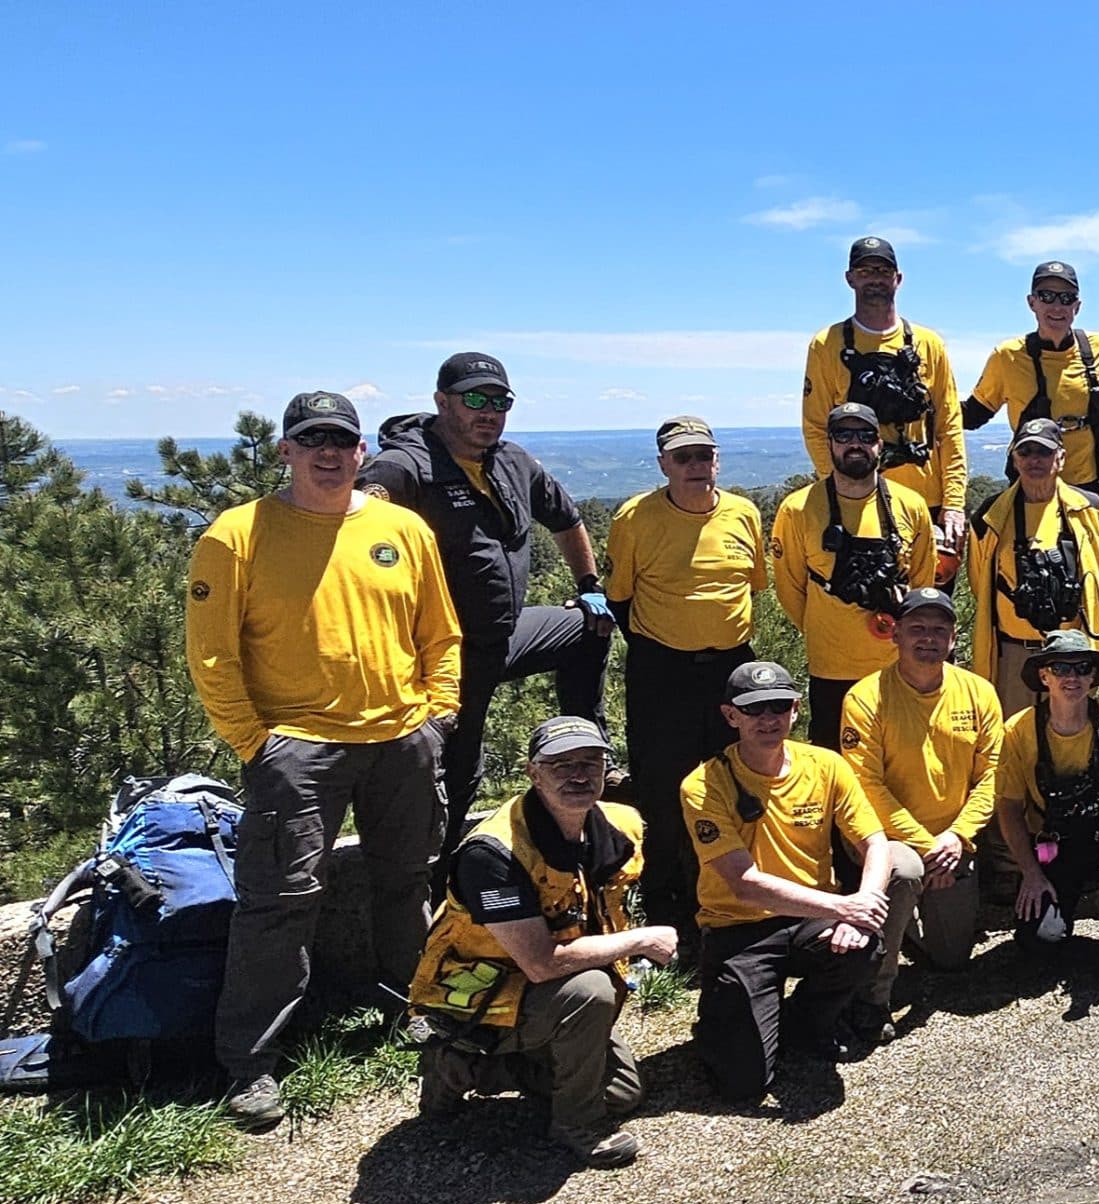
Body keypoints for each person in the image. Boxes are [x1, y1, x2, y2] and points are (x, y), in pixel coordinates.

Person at [189, 391, 461, 1130]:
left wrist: (439, 713)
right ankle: (251, 1062)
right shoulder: (237, 534)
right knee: (279, 901)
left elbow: (441, 631)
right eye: (312, 440)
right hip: (296, 747)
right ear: (285, 450)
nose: (329, 452)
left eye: (341, 439)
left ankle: (417, 1004)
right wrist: (255, 742)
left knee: (406, 880)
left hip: (403, 736)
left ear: (362, 449)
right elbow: (212, 654)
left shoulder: (402, 529)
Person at [362, 353, 610, 852]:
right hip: (446, 653)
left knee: (588, 627)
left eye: (500, 401)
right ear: (441, 402)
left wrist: (589, 585)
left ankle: (585, 749)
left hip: (505, 633)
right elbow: (360, 517)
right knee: (458, 770)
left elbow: (565, 519)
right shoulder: (409, 465)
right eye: (475, 399)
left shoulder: (513, 461)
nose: (488, 411)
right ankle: (443, 885)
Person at [409, 717, 677, 1168]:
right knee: (589, 991)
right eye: (561, 765)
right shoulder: (493, 852)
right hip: (480, 993)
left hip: (547, 991)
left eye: (590, 763)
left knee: (624, 1093)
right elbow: (540, 963)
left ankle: (475, 1066)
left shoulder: (622, 826)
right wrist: (642, 940)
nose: (578, 775)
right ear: (533, 773)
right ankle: (576, 1124)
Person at [681, 662, 923, 1099]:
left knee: (863, 943)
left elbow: (875, 841)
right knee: (743, 1084)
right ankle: (727, 1018)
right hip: (739, 928)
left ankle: (809, 1022)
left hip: (809, 917)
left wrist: (863, 906)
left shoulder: (826, 765)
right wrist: (841, 908)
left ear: (796, 710)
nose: (768, 719)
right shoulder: (704, 784)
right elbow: (744, 884)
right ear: (730, 715)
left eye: (779, 707)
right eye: (754, 710)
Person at [605, 416, 767, 953]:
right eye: (682, 458)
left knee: (736, 780)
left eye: (703, 456)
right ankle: (665, 905)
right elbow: (621, 598)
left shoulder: (743, 513)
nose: (695, 466)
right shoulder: (635, 518)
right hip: (662, 671)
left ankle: (735, 895)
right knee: (663, 786)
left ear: (717, 460)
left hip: (731, 671)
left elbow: (754, 586)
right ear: (663, 465)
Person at [841, 589, 1005, 993]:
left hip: (952, 841)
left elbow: (992, 776)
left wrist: (957, 837)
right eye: (916, 628)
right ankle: (876, 981)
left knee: (951, 958)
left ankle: (913, 917)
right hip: (888, 840)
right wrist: (927, 846)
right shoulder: (864, 698)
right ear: (895, 635)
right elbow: (866, 787)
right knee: (905, 870)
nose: (927, 638)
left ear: (953, 639)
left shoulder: (979, 692)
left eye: (938, 629)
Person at [991, 630, 1099, 990]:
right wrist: (1031, 873)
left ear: (1094, 677)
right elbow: (1008, 809)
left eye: (1082, 668)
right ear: (1044, 676)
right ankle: (1063, 930)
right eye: (1061, 668)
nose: (1072, 677)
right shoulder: (1018, 731)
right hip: (1052, 847)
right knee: (1037, 942)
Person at [770, 402, 939, 753]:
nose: (855, 444)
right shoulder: (798, 509)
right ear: (829, 443)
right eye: (843, 435)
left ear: (879, 443)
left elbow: (922, 587)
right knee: (835, 769)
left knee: (901, 764)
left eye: (865, 435)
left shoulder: (911, 506)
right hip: (831, 671)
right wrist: (826, 627)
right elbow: (790, 589)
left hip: (898, 670)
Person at [799, 236, 969, 549]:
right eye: (865, 271)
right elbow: (815, 426)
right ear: (849, 279)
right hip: (857, 499)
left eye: (882, 270)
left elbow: (949, 426)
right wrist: (839, 489)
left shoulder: (929, 344)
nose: (874, 278)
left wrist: (954, 502)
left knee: (926, 598)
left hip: (926, 499)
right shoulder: (826, 345)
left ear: (898, 278)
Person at [966, 419, 1099, 717]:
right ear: (1013, 458)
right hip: (1014, 654)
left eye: (1044, 452)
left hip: (1072, 657)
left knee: (1069, 744)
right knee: (1013, 744)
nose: (1035, 460)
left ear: (1061, 457)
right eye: (1026, 452)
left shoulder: (1091, 509)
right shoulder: (990, 515)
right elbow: (978, 581)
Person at [965, 260, 1099, 491]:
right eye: (1046, 296)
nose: (1057, 306)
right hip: (1031, 491)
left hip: (1087, 488)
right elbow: (972, 415)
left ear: (1077, 306)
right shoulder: (1008, 356)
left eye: (1066, 298)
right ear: (1032, 302)